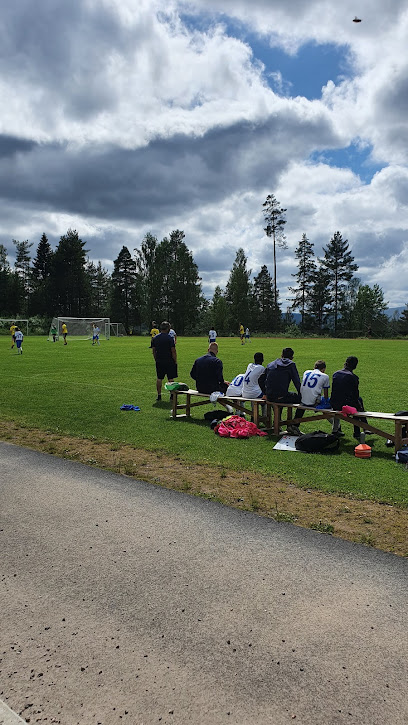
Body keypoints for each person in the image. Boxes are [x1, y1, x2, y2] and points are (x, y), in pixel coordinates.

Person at [264, 347, 301, 435]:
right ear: (292, 357)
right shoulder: (291, 365)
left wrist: (264, 393)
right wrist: (301, 394)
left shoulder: (271, 364)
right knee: (299, 399)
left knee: (280, 395)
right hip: (280, 396)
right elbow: (297, 382)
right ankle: (294, 425)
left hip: (269, 396)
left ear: (281, 355)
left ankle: (277, 421)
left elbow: (260, 379)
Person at [331, 356, 367, 441]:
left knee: (357, 402)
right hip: (344, 406)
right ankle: (361, 429)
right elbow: (355, 396)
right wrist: (360, 407)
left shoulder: (335, 374)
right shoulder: (353, 377)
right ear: (355, 366)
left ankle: (364, 427)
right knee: (357, 403)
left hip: (334, 403)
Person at [151, 321, 177, 401]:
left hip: (159, 360)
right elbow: (173, 351)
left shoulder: (155, 338)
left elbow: (153, 351)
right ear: (168, 328)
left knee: (159, 378)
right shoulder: (170, 338)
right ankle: (172, 395)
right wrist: (175, 360)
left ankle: (159, 395)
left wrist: (156, 359)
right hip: (169, 360)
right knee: (170, 378)